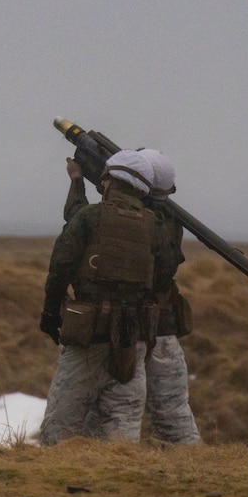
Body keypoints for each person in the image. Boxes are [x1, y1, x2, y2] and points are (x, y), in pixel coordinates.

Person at [64, 149, 201, 444]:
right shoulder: (167, 222)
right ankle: (192, 469)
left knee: (102, 414)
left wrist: (77, 181)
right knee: (172, 416)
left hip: (124, 332)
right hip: (159, 329)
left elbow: (78, 220)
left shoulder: (135, 222)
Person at [38, 150, 160, 446]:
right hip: (132, 339)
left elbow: (60, 267)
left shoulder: (90, 217)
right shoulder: (153, 224)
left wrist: (51, 314)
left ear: (108, 182)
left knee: (60, 428)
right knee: (123, 427)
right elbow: (162, 272)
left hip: (87, 337)